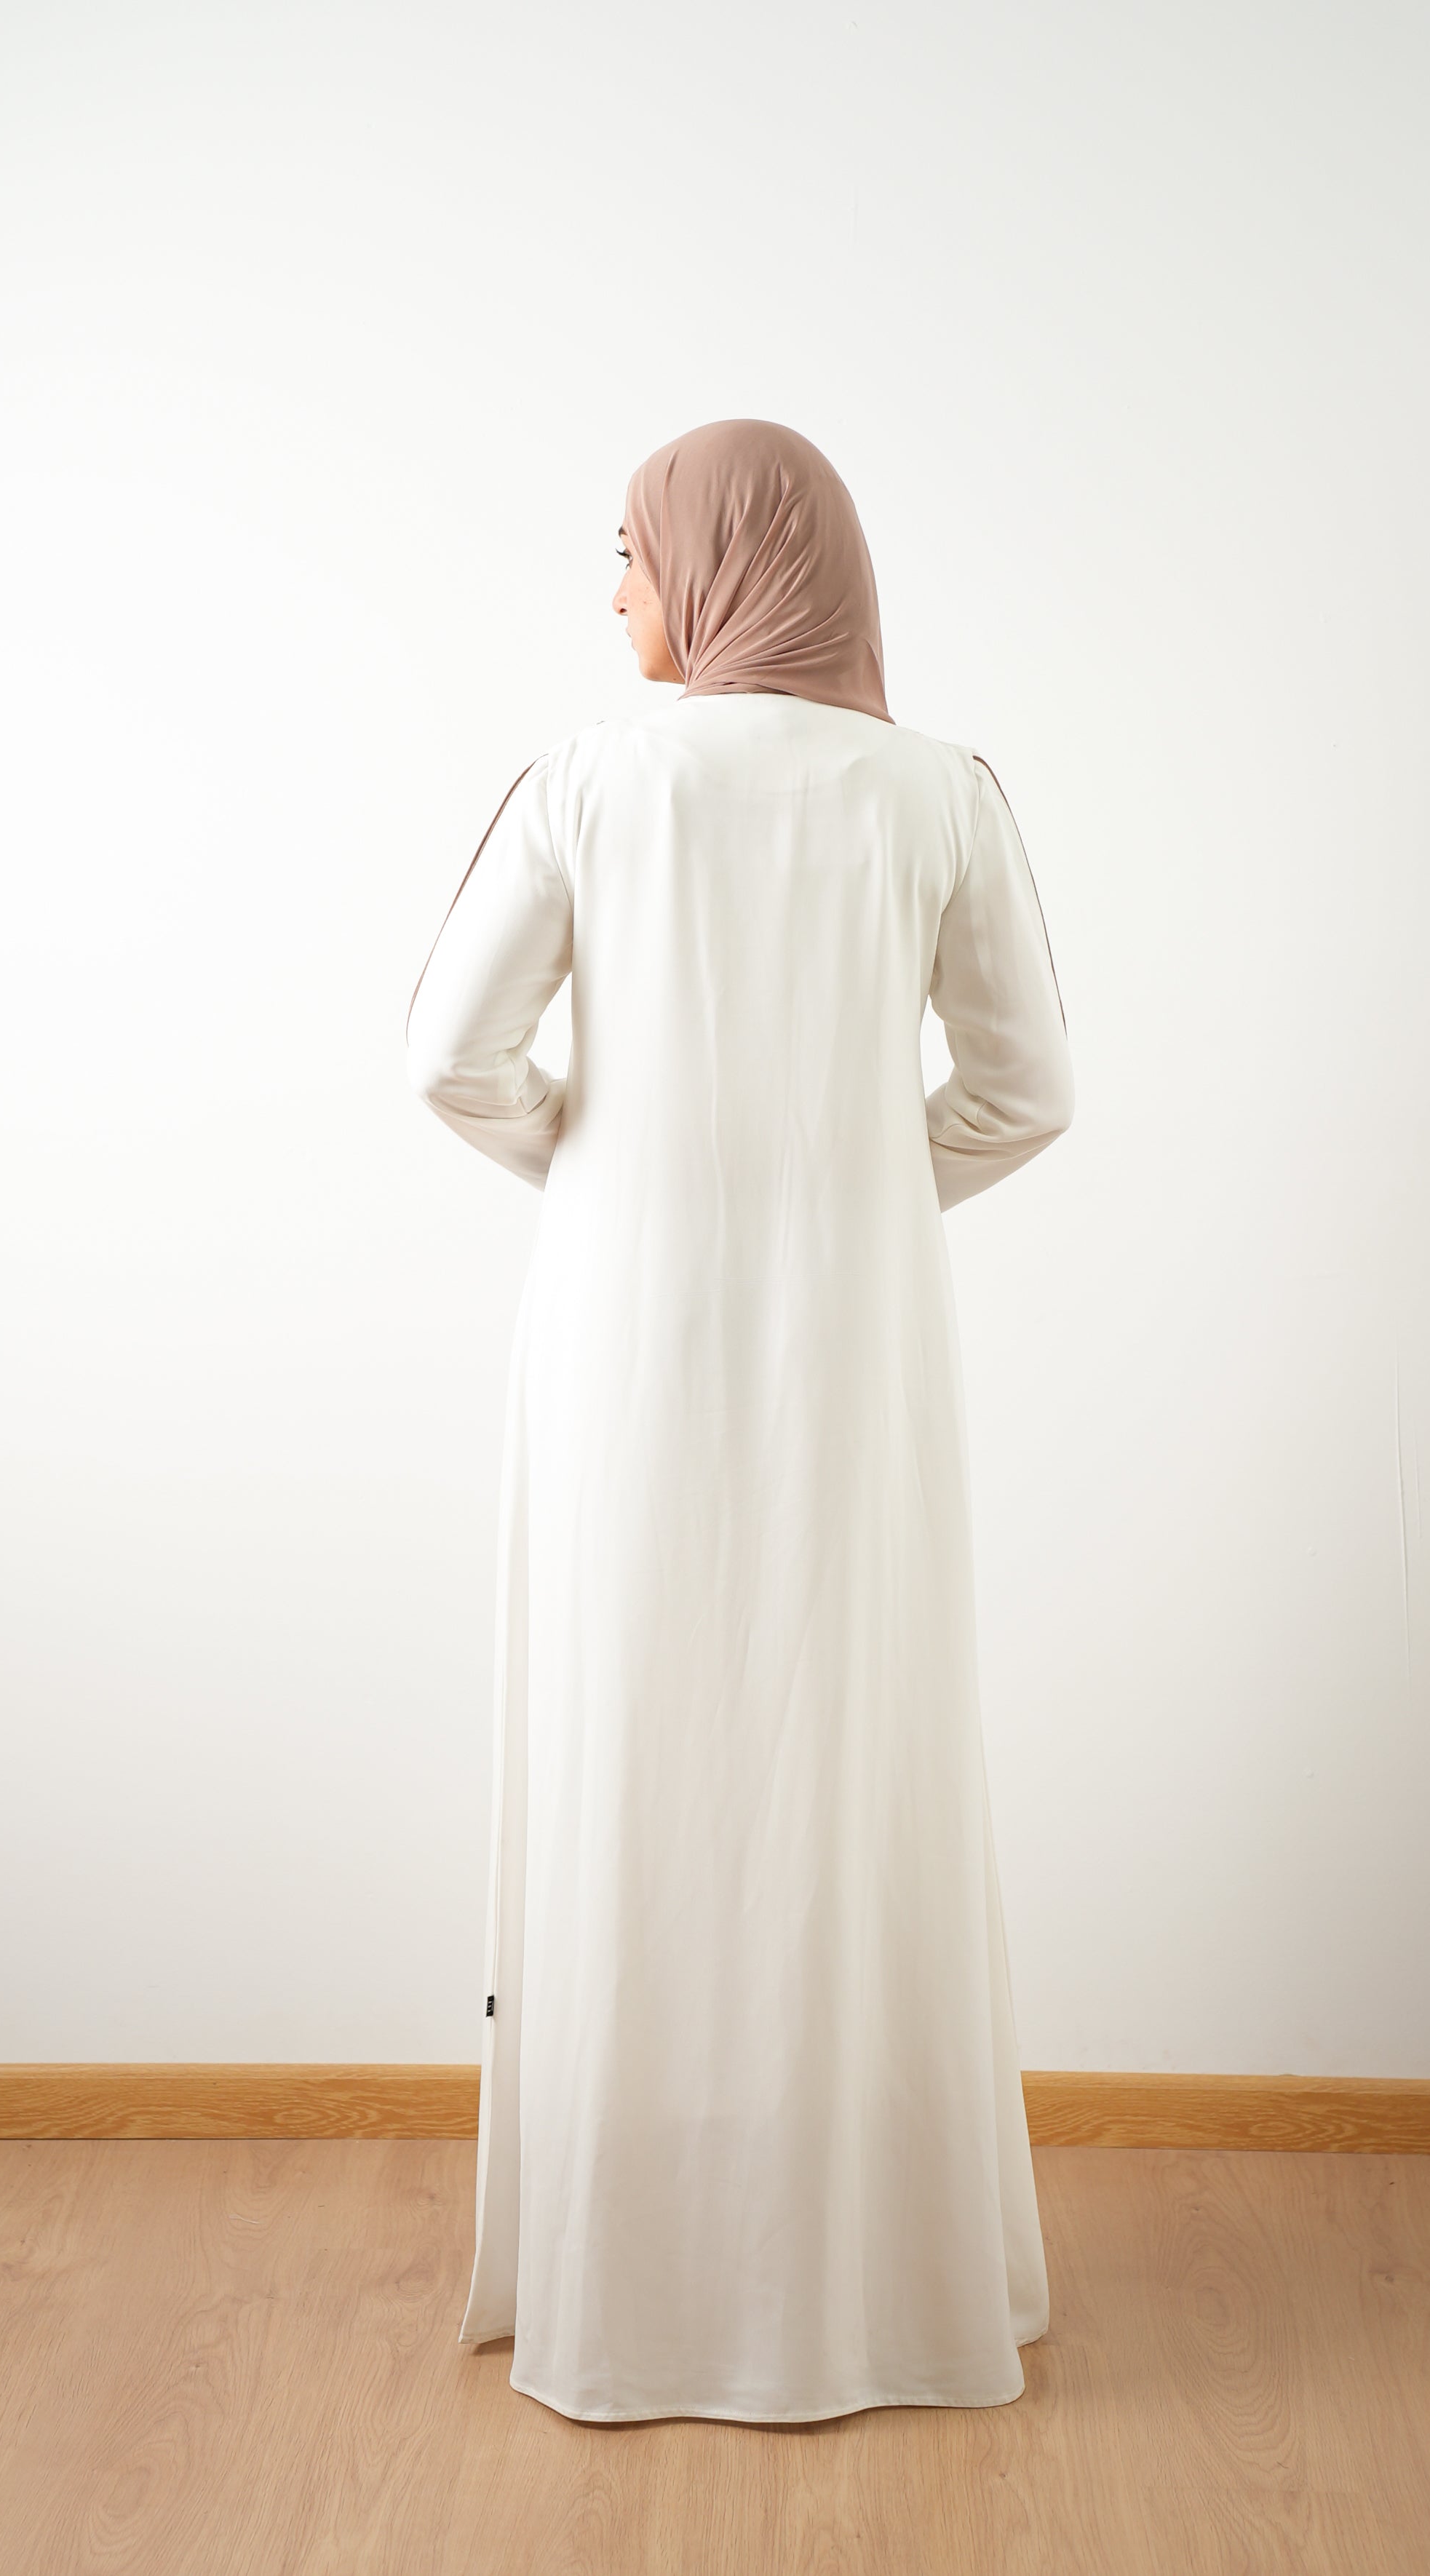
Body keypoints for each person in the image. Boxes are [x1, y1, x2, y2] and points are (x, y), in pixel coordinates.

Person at [406, 418, 1073, 2424]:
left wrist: (610, 1169)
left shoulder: (589, 786)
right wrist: (848, 1186)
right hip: (860, 1339)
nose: (614, 588)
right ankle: (884, 2278)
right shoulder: (939, 793)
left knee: (631, 1737)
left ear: (713, 569)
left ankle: (629, 2278)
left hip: (621, 1329)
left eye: (629, 551)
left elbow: (453, 1057)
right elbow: (1024, 1091)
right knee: (848, 1743)